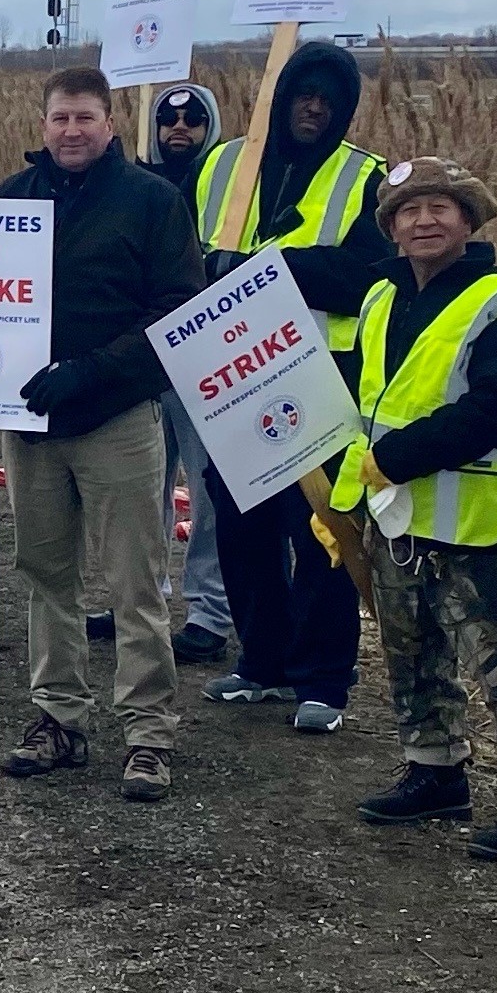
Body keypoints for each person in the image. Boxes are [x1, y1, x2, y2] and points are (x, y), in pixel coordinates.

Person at [0, 66, 202, 803]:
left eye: (85, 118)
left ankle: (148, 734)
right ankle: (58, 716)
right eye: (60, 119)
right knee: (45, 576)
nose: (72, 131)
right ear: (43, 125)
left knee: (133, 584)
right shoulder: (10, 200)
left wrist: (91, 370)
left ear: (111, 123)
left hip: (116, 418)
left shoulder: (153, 202)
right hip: (30, 425)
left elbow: (175, 311)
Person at [327, 157, 497, 861]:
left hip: (472, 521)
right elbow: (365, 407)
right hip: (395, 518)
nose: (424, 220)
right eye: (408, 210)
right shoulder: (379, 297)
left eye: (440, 207)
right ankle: (434, 773)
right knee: (411, 656)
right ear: (392, 228)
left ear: (468, 220)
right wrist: (343, 499)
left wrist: (399, 459)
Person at [190, 40, 389, 732]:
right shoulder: (222, 166)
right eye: (303, 94)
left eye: (328, 101)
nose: (313, 108)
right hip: (232, 371)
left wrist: (267, 267)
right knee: (240, 518)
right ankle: (262, 663)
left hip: (322, 372)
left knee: (321, 529)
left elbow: (370, 275)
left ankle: (323, 679)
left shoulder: (367, 179)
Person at [138, 83, 233, 663]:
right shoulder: (137, 187)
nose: (180, 128)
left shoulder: (230, 189)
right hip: (143, 358)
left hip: (204, 358)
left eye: (193, 119)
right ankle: (142, 600)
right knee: (141, 490)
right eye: (169, 118)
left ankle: (209, 611)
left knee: (206, 493)